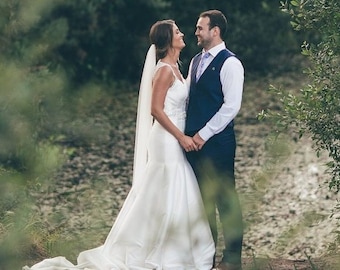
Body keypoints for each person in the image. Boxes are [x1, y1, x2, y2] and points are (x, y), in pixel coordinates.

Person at [23, 19, 215, 270]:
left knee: (168, 187)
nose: (183, 34)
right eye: (177, 31)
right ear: (169, 40)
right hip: (167, 139)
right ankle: (161, 249)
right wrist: (181, 137)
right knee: (168, 184)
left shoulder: (177, 67)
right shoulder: (164, 71)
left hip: (176, 136)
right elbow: (155, 109)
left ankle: (175, 245)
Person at [185, 10, 244, 270]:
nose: (196, 32)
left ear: (215, 30)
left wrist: (203, 134)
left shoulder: (231, 63)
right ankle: (206, 257)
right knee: (202, 201)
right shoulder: (195, 61)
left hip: (218, 143)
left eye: (200, 28)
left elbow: (231, 107)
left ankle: (232, 258)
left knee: (225, 199)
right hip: (192, 145)